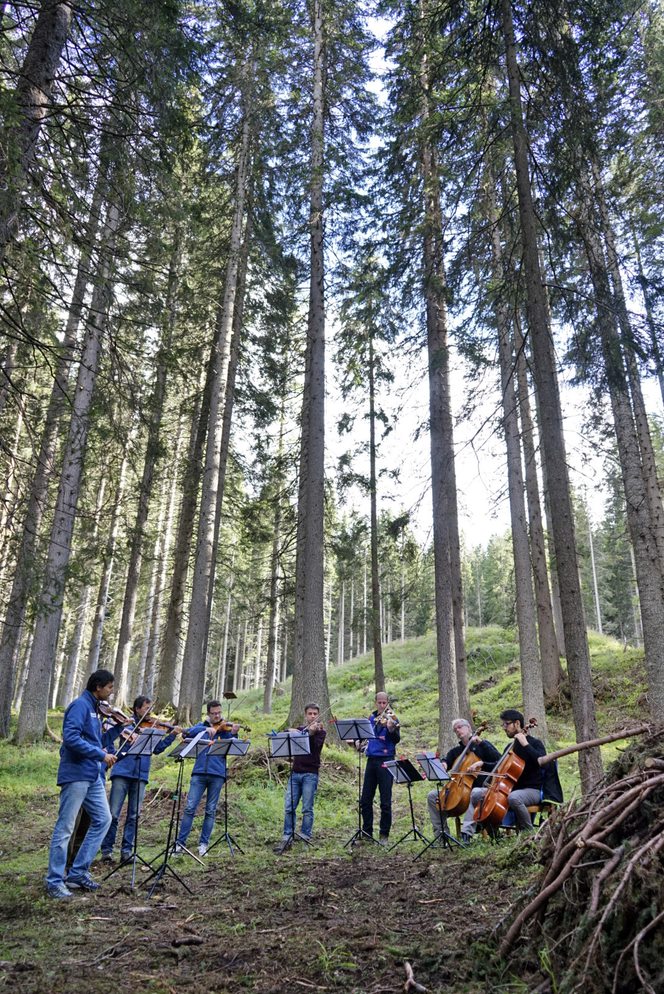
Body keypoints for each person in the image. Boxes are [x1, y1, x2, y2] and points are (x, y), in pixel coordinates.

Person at [45, 669, 120, 899]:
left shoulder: (96, 710)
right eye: (109, 687)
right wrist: (99, 754)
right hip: (76, 774)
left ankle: (77, 873)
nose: (111, 691)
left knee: (104, 819)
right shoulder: (80, 706)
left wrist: (118, 728)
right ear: (97, 686)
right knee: (66, 827)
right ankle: (54, 880)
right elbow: (71, 738)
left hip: (92, 775)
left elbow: (99, 740)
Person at [100, 696, 181, 864]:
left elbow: (157, 749)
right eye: (146, 709)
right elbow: (122, 734)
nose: (149, 712)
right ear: (137, 709)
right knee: (113, 813)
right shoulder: (128, 723)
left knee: (134, 815)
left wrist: (172, 735)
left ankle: (127, 851)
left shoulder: (152, 727)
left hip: (141, 774)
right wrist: (138, 732)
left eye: (150, 709)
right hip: (122, 772)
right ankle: (107, 851)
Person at [463, 708, 547, 841]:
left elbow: (542, 761)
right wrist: (482, 764)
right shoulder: (510, 746)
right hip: (509, 789)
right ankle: (495, 835)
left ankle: (529, 835)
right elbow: (500, 766)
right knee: (477, 793)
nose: (504, 728)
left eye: (506, 724)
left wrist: (525, 744)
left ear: (517, 724)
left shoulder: (535, 743)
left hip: (532, 789)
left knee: (514, 798)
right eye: (503, 724)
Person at [175, 701, 240, 857]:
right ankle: (179, 844)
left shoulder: (226, 729)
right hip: (199, 773)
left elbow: (232, 746)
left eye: (219, 712)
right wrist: (206, 728)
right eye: (214, 713)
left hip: (217, 774)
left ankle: (203, 845)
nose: (217, 716)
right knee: (190, 807)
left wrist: (234, 734)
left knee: (210, 810)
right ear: (208, 714)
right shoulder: (201, 726)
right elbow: (187, 732)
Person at [426, 717, 501, 838]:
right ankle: (441, 835)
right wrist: (444, 764)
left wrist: (481, 759)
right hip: (458, 789)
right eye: (455, 730)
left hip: (479, 789)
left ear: (469, 728)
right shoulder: (455, 752)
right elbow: (446, 761)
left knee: (474, 794)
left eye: (460, 727)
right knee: (432, 796)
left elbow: (499, 761)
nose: (458, 730)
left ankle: (466, 834)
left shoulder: (483, 745)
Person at [276, 702, 327, 853]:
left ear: (318, 715)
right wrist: (294, 730)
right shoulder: (300, 730)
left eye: (315, 714)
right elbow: (287, 731)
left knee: (307, 808)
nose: (312, 716)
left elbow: (315, 748)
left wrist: (310, 734)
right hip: (295, 773)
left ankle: (305, 836)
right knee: (289, 806)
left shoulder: (320, 732)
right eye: (310, 714)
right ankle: (287, 836)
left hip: (310, 774)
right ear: (305, 715)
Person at [360, 691, 401, 844]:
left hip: (386, 760)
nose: (382, 705)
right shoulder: (371, 718)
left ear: (387, 703)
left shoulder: (393, 718)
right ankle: (367, 832)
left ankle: (384, 835)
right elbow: (367, 737)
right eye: (380, 702)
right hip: (371, 760)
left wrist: (391, 729)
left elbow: (396, 739)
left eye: (385, 703)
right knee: (365, 799)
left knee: (385, 801)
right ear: (375, 702)